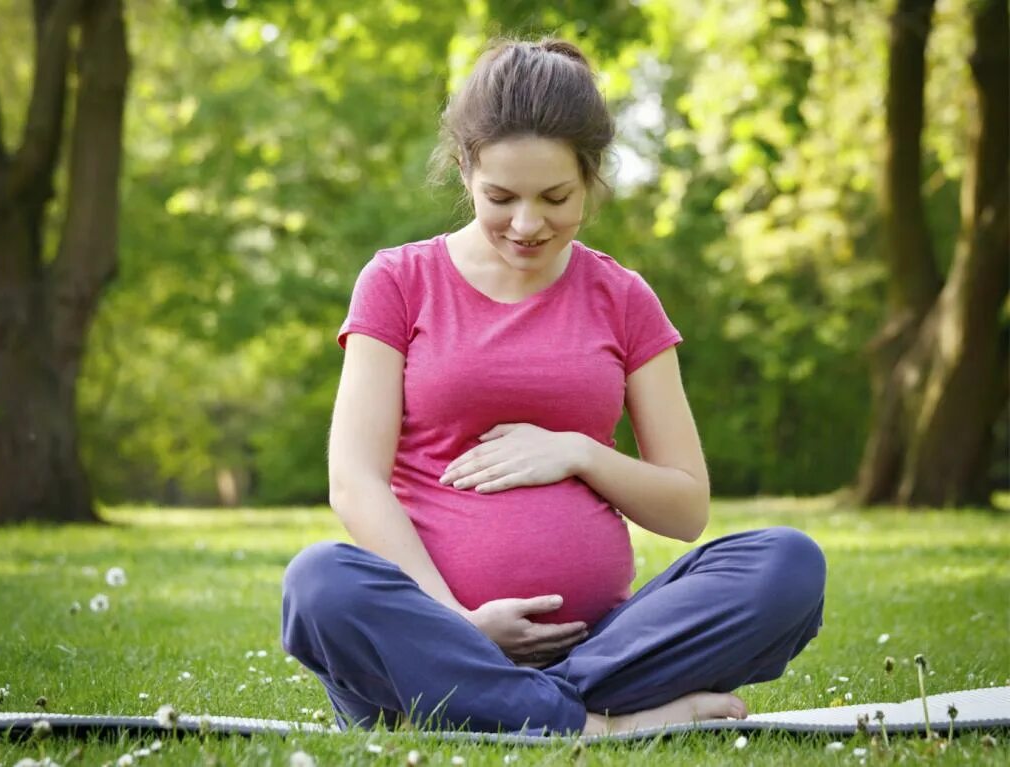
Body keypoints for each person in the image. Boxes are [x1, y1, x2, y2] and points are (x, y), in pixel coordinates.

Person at [281, 38, 826, 736]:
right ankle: (602, 723)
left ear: (592, 177)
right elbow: (356, 482)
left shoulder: (623, 297)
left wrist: (579, 452)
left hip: (605, 646)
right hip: (437, 632)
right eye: (500, 197)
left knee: (787, 564)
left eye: (556, 197)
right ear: (464, 169)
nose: (528, 224)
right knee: (320, 583)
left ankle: (486, 705)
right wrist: (460, 627)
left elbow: (686, 507)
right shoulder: (397, 282)